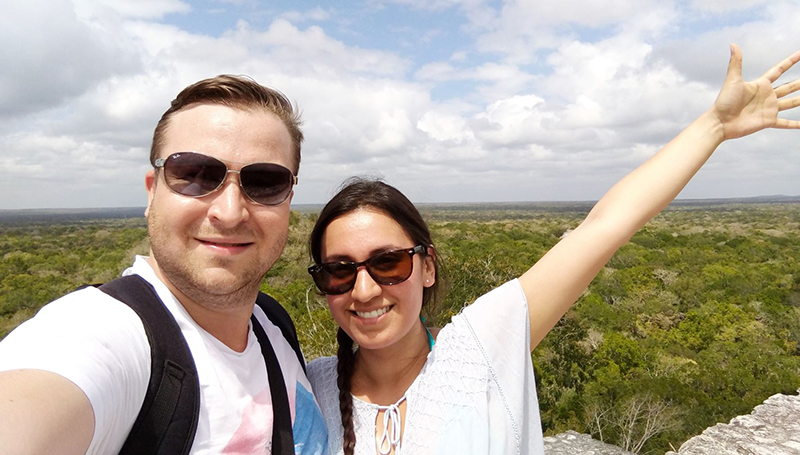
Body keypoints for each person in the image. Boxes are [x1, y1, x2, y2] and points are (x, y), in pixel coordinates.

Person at [304, 44, 800, 455]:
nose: (364, 289)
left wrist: (713, 126)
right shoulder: (303, 388)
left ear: (427, 266)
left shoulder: (480, 349)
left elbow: (604, 226)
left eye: (388, 262)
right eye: (339, 271)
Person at [0, 76, 328, 454]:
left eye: (265, 182)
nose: (230, 212)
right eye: (194, 175)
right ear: (152, 191)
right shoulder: (107, 338)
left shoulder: (272, 325)